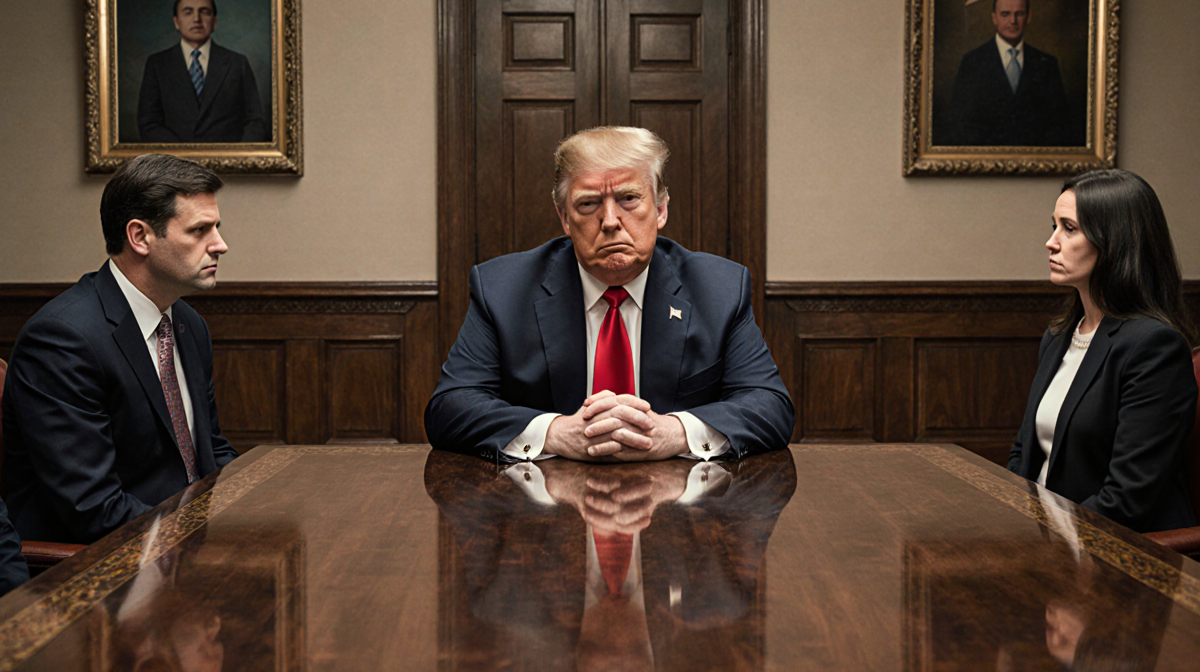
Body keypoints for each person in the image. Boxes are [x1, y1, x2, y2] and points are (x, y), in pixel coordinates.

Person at [425, 126, 793, 462]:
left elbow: (770, 406)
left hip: (682, 514)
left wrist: (675, 433)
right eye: (588, 204)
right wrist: (553, 433)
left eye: (629, 198)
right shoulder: (502, 289)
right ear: (565, 219)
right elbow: (451, 408)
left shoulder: (720, 288)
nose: (611, 221)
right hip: (544, 516)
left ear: (661, 209)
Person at [2, 153, 239, 544]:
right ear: (140, 237)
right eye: (200, 231)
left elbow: (209, 452)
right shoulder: (62, 339)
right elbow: (94, 508)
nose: (221, 245)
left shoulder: (187, 324)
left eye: (217, 228)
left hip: (181, 545)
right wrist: (200, 542)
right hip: (99, 567)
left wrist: (257, 510)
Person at [1008, 169, 1198, 533]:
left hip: (1121, 554)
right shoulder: (1059, 334)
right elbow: (1023, 454)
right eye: (1053, 226)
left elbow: (1127, 499)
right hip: (1047, 538)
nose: (1051, 242)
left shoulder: (1154, 347)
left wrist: (1048, 546)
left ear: (1115, 242)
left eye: (1069, 228)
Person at [945, 0, 1075, 146]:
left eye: (1019, 14)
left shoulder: (1047, 65)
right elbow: (960, 126)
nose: (1012, 21)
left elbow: (1059, 126)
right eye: (1005, 14)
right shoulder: (972, 63)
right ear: (994, 18)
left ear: (1029, 17)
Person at [137, 0, 268, 143]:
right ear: (176, 22)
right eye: (188, 12)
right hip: (175, 162)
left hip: (229, 162)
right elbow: (149, 124)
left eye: (204, 12)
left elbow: (254, 121)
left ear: (215, 21)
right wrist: (182, 158)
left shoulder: (237, 63)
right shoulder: (157, 64)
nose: (196, 19)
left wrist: (238, 159)